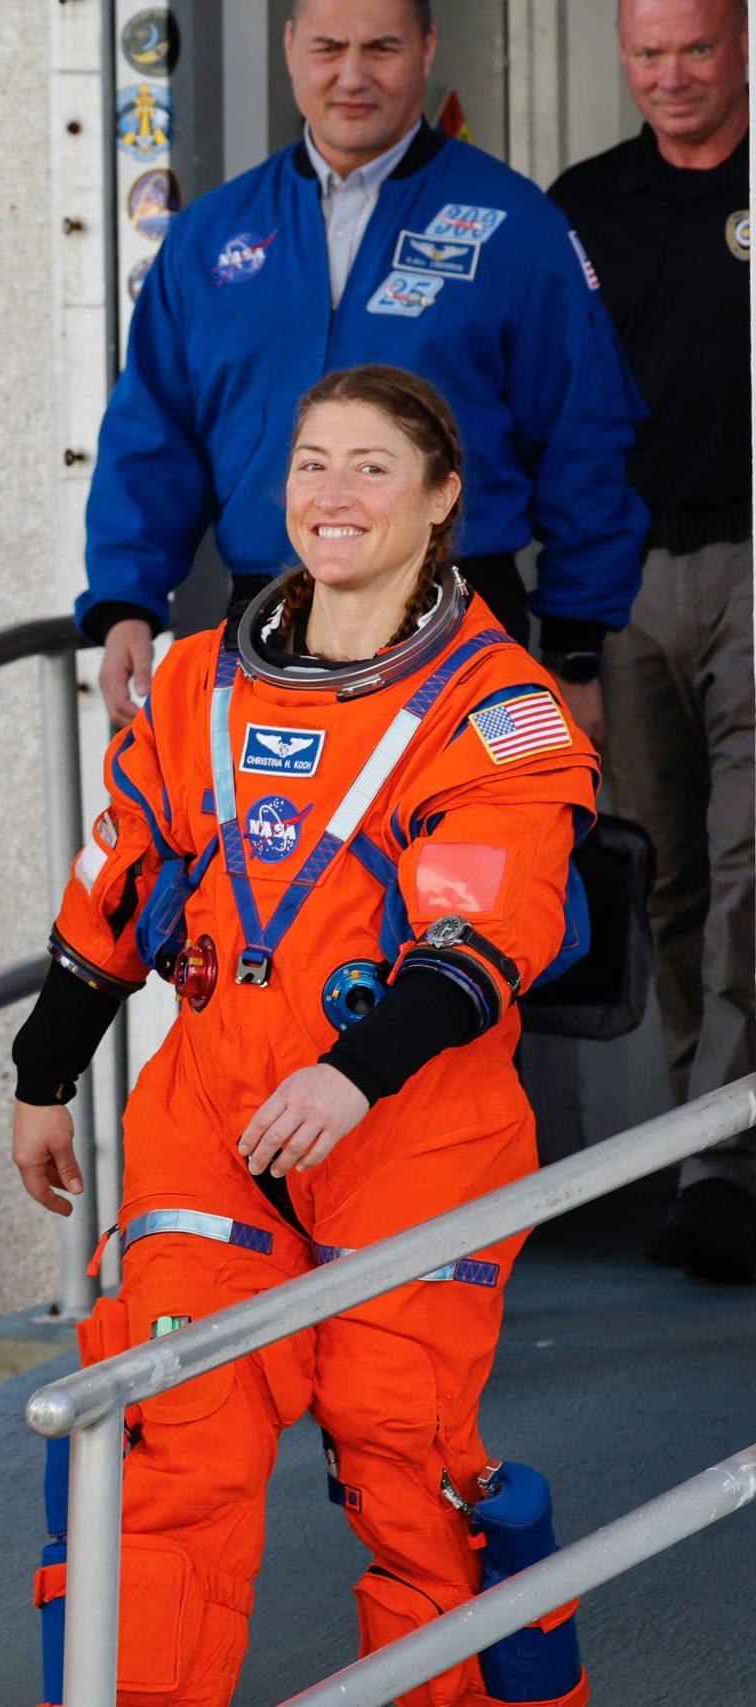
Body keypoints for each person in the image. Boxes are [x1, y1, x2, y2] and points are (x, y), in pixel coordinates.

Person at [13, 368, 597, 1707]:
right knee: (162, 1430)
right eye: (312, 462)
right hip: (214, 1121)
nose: (333, 495)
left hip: (414, 1134)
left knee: (402, 1451)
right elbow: (121, 875)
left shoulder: (495, 708)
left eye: (374, 467)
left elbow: (480, 937)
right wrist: (46, 1067)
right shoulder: (201, 677)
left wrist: (352, 1071)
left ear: (445, 500)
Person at [83, 0, 645, 745]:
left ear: (427, 48)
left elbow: (586, 435)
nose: (352, 75)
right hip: (269, 626)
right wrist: (127, 601)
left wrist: (577, 646)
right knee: (276, 857)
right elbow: (152, 433)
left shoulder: (515, 223)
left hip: (461, 623)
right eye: (328, 47)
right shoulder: (211, 236)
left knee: (462, 856)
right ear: (289, 49)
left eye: (381, 48)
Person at [550, 0, 754, 1284]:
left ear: (739, 47)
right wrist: (566, 631)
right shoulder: (580, 206)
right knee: (669, 880)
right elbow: (550, 410)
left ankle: (719, 1175)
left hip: (750, 556)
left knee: (749, 869)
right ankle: (709, 1142)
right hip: (623, 577)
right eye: (646, 54)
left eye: (695, 50)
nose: (669, 78)